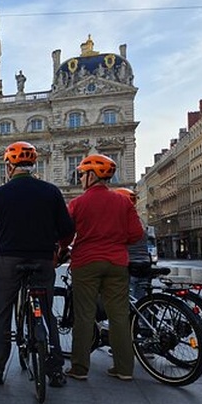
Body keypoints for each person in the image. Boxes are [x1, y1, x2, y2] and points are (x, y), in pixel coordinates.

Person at [0, 141, 74, 387]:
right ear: (33, 165)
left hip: (9, 259)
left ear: (9, 167)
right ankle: (55, 370)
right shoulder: (51, 192)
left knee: (0, 313)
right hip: (42, 258)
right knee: (46, 309)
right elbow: (66, 230)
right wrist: (60, 250)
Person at [60, 154, 143, 382]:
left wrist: (63, 249)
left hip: (86, 262)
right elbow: (136, 234)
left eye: (82, 174)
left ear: (91, 176)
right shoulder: (123, 201)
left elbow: (65, 234)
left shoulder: (78, 203)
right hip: (117, 263)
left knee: (84, 315)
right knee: (119, 315)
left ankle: (79, 367)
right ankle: (124, 368)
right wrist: (116, 241)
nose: (80, 178)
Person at [113, 188, 151, 300]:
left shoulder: (120, 219)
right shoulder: (138, 219)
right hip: (144, 264)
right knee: (140, 300)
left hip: (130, 265)